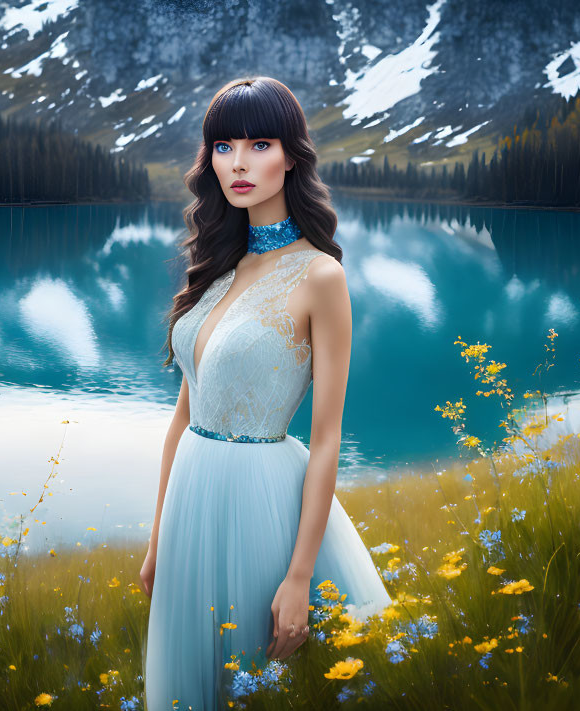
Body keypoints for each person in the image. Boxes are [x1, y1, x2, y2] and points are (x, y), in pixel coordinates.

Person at [138, 75, 393, 709]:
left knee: (255, 688)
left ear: (292, 156)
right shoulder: (218, 265)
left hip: (261, 504)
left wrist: (300, 576)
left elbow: (328, 435)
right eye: (223, 146)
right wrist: (157, 539)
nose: (240, 163)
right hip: (191, 501)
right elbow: (182, 418)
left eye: (259, 143)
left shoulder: (320, 276)